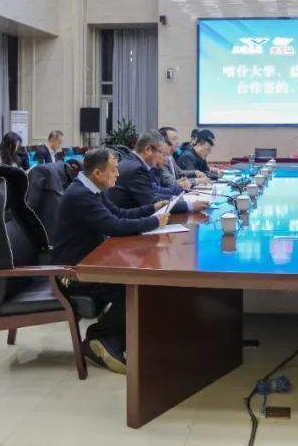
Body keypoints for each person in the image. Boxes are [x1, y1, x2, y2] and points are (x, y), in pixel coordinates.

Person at [52, 148, 170, 373]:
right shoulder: (80, 195)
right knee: (136, 287)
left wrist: (151, 209)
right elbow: (114, 226)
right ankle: (99, 338)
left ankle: (111, 340)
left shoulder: (91, 189)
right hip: (72, 273)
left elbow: (117, 214)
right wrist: (155, 222)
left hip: (90, 263)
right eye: (114, 170)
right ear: (98, 172)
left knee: (140, 283)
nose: (118, 174)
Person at [108, 130, 203, 212]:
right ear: (147, 149)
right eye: (162, 153)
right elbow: (153, 203)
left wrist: (178, 198)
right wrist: (189, 205)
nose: (164, 158)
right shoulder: (137, 169)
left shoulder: (133, 162)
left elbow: (153, 192)